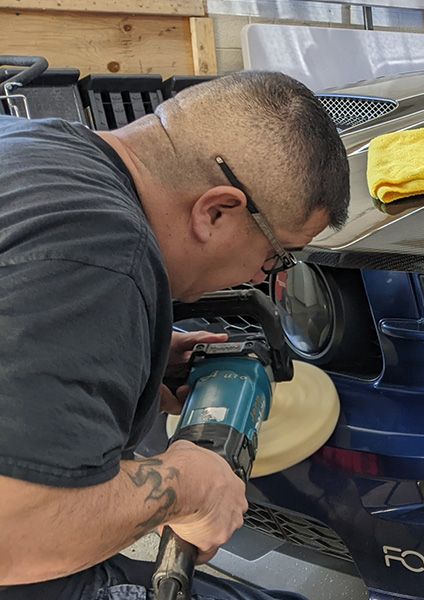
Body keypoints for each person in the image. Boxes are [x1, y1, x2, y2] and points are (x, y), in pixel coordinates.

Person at [0, 71, 351, 599]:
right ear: (215, 211)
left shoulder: (35, 145)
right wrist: (187, 487)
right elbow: (16, 533)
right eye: (277, 257)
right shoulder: (103, 253)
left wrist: (127, 352)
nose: (262, 277)